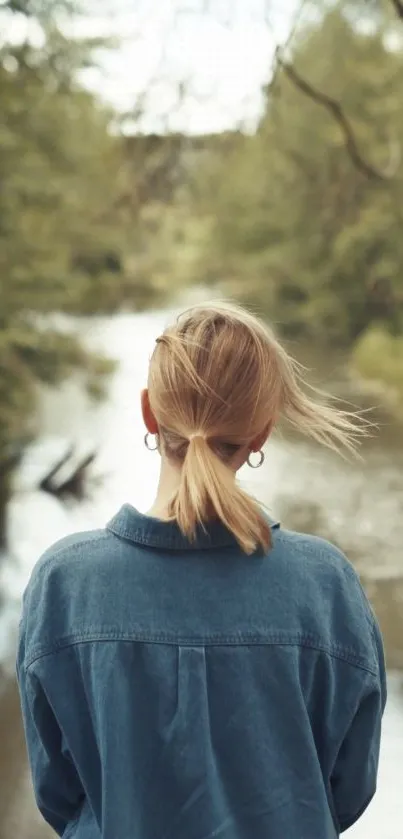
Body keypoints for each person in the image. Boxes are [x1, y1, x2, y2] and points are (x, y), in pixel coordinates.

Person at [17, 302, 386, 839]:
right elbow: (349, 788)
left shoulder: (64, 585)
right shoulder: (325, 585)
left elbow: (58, 792)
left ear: (149, 413)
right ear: (260, 434)